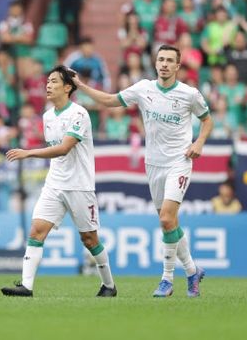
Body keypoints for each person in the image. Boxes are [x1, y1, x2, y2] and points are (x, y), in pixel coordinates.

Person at [72, 44, 213, 298]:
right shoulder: (143, 88)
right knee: (170, 223)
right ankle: (192, 271)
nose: (165, 64)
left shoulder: (189, 94)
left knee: (166, 219)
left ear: (178, 66)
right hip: (153, 164)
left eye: (170, 60)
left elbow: (207, 119)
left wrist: (199, 142)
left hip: (179, 161)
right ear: (155, 63)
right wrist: (80, 86)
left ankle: (166, 280)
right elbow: (109, 100)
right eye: (161, 59)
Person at [1, 66, 116, 298]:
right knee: (36, 231)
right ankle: (26, 286)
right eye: (47, 81)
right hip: (54, 184)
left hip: (79, 185)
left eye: (54, 81)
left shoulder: (79, 114)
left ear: (67, 87)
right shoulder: (47, 116)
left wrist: (28, 153)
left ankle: (109, 285)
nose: (48, 85)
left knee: (89, 239)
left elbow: (64, 149)